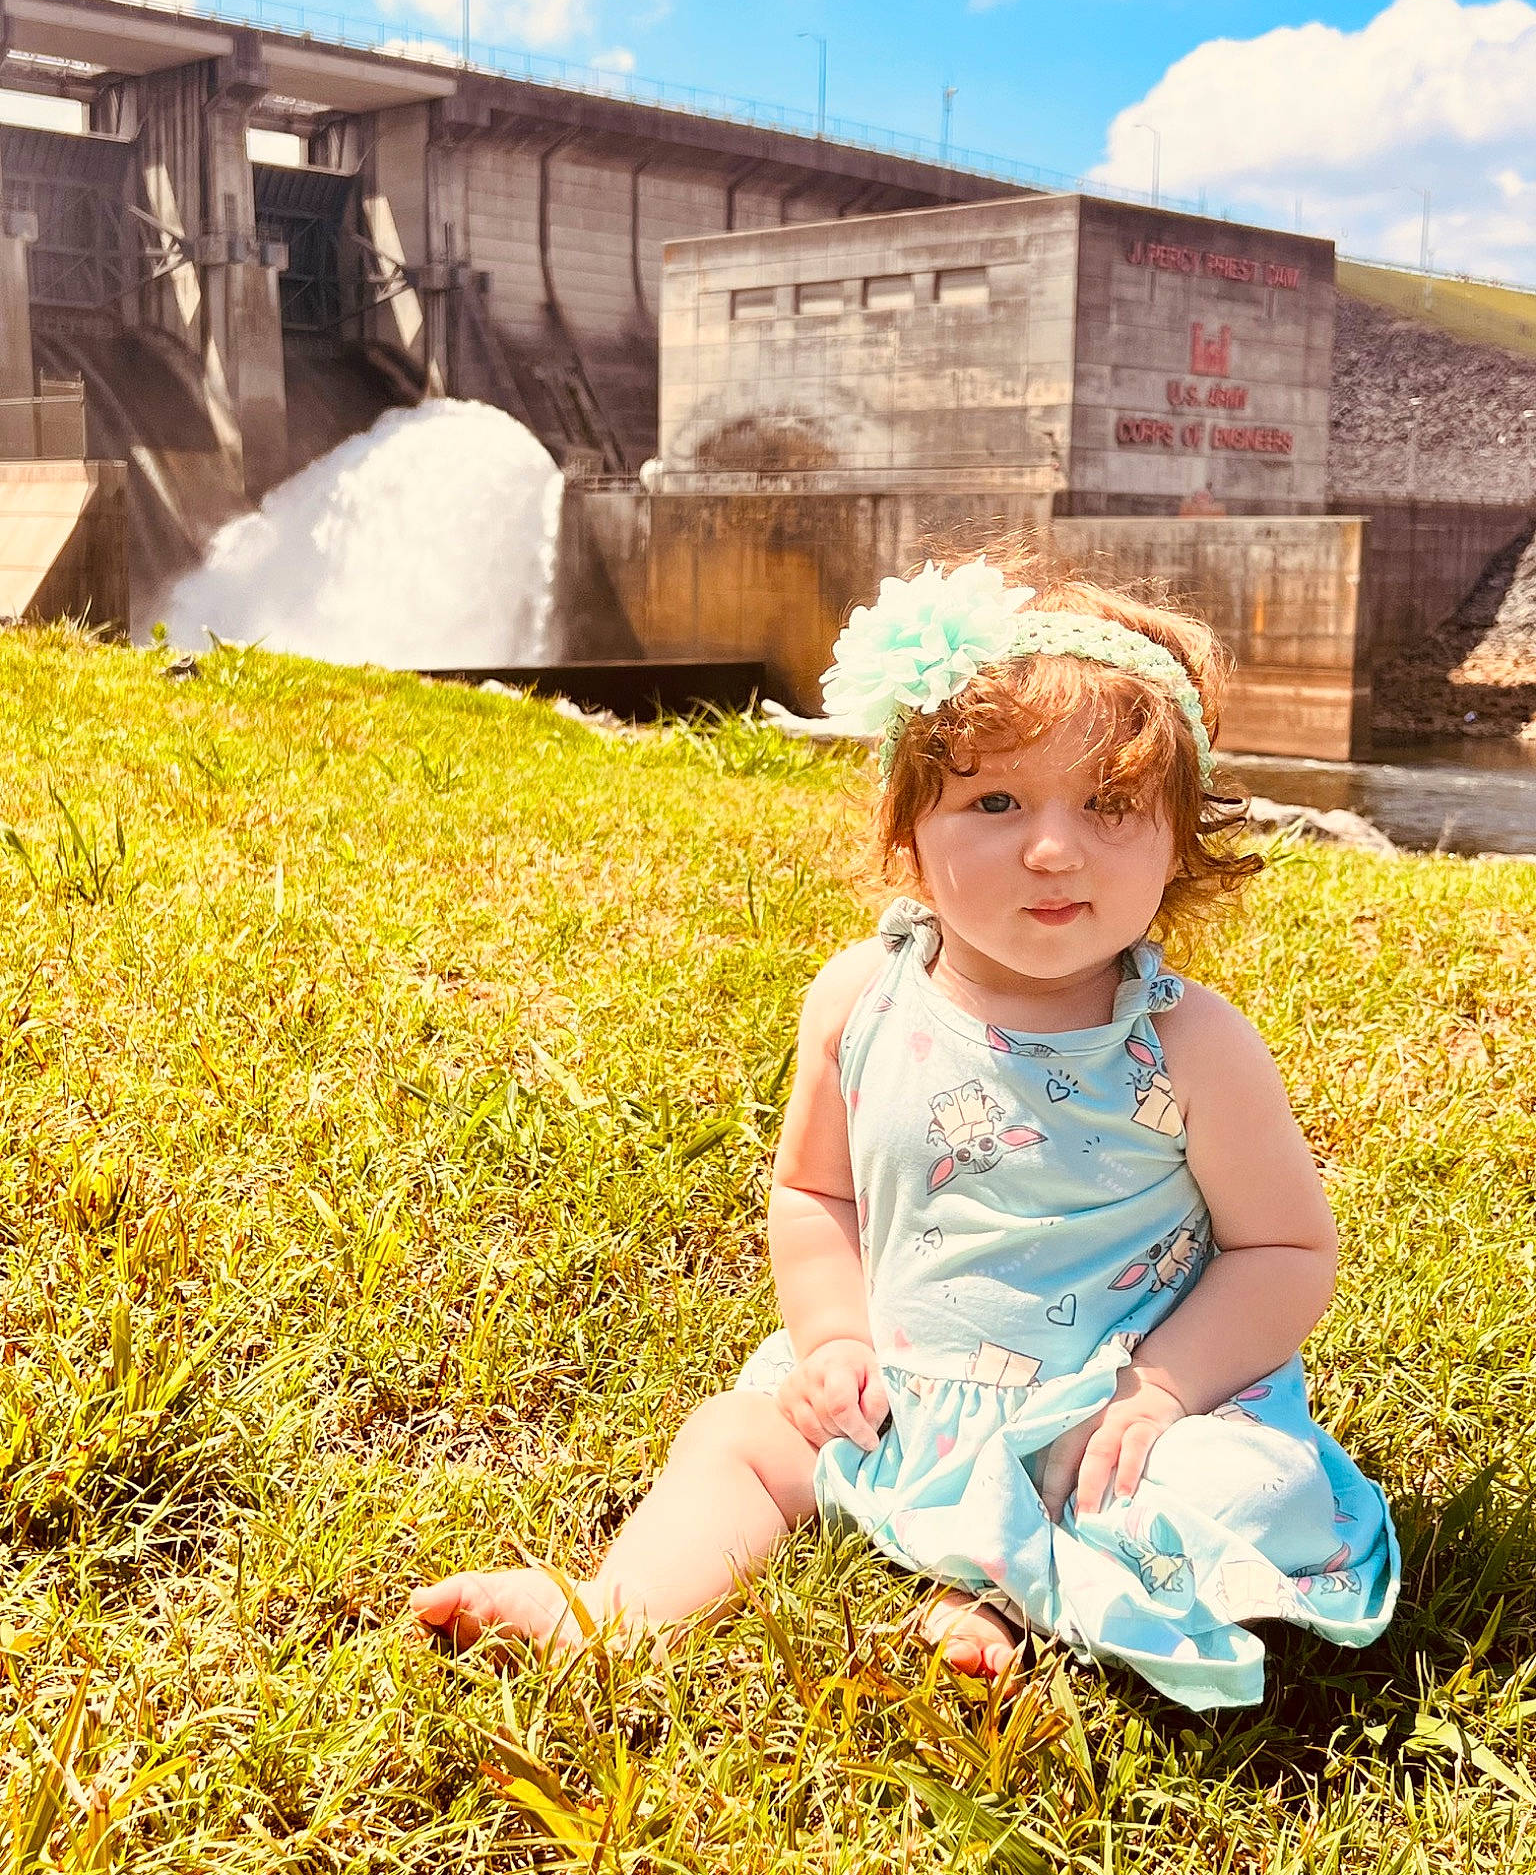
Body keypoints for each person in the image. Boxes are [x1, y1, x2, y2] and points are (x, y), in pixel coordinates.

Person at [411, 558, 1399, 1709]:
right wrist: (835, 1338)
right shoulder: (861, 999)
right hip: (909, 1391)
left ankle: (996, 1595)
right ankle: (614, 1610)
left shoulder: (1188, 1043)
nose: (1053, 849)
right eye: (997, 802)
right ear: (908, 826)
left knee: (1228, 1493)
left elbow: (1284, 1249)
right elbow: (815, 1193)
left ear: (1178, 837)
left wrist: (1161, 1390)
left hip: (1105, 1406)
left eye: (1108, 804)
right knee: (738, 1435)